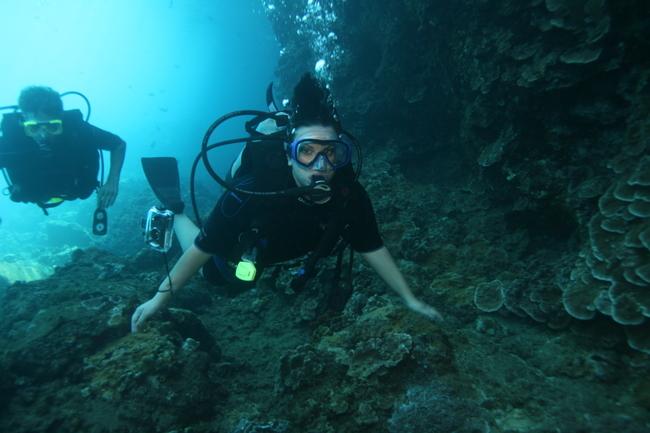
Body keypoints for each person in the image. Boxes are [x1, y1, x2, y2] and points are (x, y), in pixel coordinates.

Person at [131, 73, 441, 332]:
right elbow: (204, 246)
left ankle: (280, 115)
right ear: (288, 155)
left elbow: (371, 246)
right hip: (254, 240)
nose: (320, 165)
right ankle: (175, 210)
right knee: (215, 275)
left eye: (330, 152)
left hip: (286, 244)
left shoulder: (349, 194)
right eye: (307, 151)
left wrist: (410, 299)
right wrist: (159, 299)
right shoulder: (251, 190)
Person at [0, 86, 126, 212]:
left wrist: (112, 182)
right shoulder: (11, 141)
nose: (43, 136)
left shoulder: (78, 131)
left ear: (61, 119)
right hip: (35, 191)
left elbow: (118, 145)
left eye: (53, 127)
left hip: (75, 189)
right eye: (33, 128)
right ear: (23, 121)